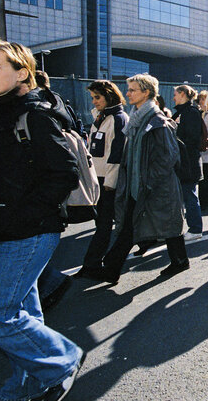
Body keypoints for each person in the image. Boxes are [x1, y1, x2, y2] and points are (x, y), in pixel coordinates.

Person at [0, 39, 84, 400]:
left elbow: (64, 172)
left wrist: (21, 215)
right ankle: (28, 384)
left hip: (26, 233)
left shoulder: (33, 115)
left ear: (21, 73)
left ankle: (62, 360)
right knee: (23, 317)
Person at [88, 74, 189, 283]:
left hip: (153, 187)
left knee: (160, 224)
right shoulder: (137, 119)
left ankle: (112, 268)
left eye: (133, 90)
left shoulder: (158, 122)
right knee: (137, 225)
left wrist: (147, 183)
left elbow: (167, 159)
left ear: (146, 92)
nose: (127, 93)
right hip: (138, 185)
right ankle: (177, 260)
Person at [75, 80, 128, 278]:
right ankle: (94, 264)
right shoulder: (101, 117)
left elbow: (116, 153)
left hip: (107, 180)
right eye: (92, 98)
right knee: (104, 225)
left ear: (109, 96)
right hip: (98, 179)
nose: (94, 101)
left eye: (97, 97)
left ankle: (95, 264)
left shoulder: (118, 118)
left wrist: (110, 182)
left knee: (109, 225)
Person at [173, 84, 205, 241]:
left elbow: (191, 139)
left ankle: (195, 228)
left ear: (183, 94)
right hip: (182, 161)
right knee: (185, 195)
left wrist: (176, 142)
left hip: (188, 162)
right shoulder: (181, 112)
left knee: (190, 196)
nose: (173, 97)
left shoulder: (190, 113)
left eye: (175, 94)